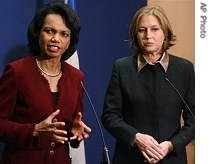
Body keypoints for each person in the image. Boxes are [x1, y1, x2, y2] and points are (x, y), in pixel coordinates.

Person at [101, 5, 195, 164]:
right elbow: (110, 116)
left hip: (171, 158)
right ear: (135, 35)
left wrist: (170, 146)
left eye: (154, 29)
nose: (148, 36)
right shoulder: (122, 68)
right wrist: (136, 138)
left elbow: (195, 120)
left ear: (165, 33)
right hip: (130, 158)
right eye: (142, 30)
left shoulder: (184, 68)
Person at [0, 2, 91, 164]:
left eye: (64, 34)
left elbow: (69, 129)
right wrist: (33, 130)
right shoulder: (17, 71)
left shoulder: (76, 77)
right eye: (49, 31)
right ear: (38, 33)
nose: (56, 39)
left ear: (70, 41)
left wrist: (74, 132)